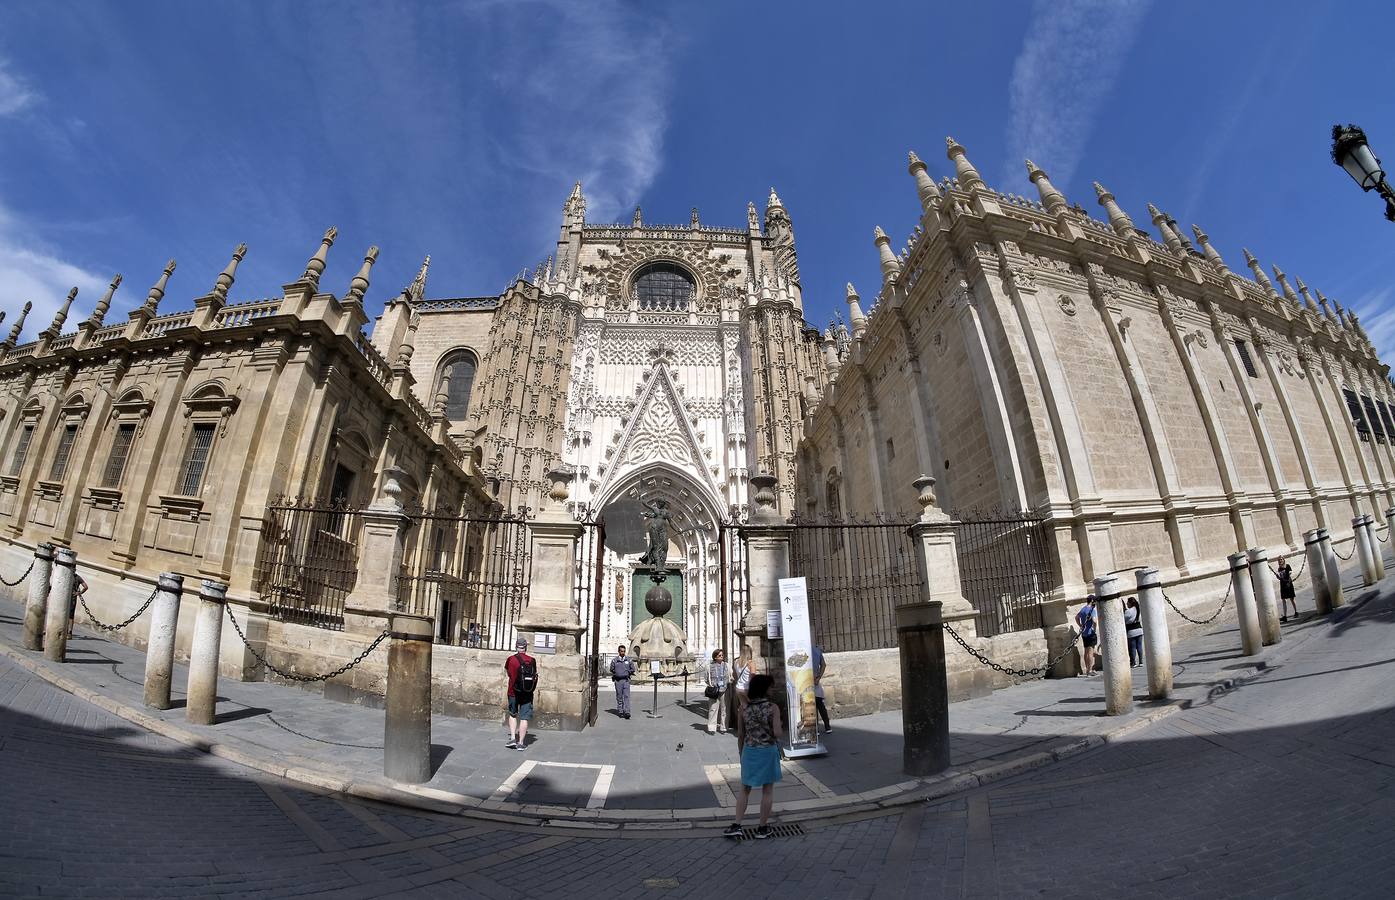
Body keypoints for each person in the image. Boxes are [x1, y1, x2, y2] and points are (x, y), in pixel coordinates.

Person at [723, 673, 784, 840]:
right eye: (771, 687)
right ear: (765, 689)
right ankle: (762, 828)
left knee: (745, 789)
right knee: (767, 790)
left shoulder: (744, 709)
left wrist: (741, 752)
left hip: (750, 751)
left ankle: (737, 824)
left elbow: (741, 734)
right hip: (767, 751)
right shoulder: (773, 708)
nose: (773, 689)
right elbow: (778, 733)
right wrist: (778, 725)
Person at [504, 637, 536, 750]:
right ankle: (521, 743)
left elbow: (508, 673)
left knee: (513, 714)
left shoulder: (510, 659)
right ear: (525, 647)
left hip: (513, 691)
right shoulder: (532, 660)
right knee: (524, 718)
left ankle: (513, 738)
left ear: (516, 646)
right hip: (527, 692)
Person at [609, 644, 636, 719]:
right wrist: (617, 673)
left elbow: (633, 669)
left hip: (626, 680)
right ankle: (620, 711)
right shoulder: (615, 660)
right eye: (621, 651)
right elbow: (612, 669)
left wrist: (628, 672)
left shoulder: (628, 660)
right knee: (619, 696)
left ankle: (627, 712)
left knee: (626, 696)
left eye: (624, 651)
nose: (623, 652)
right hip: (618, 681)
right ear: (618, 651)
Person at [706, 648, 729, 734]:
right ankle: (712, 727)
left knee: (724, 709)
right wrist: (711, 685)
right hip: (714, 690)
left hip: (724, 689)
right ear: (715, 657)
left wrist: (726, 683)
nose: (721, 657)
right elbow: (706, 678)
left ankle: (723, 727)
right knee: (713, 708)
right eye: (719, 655)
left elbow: (729, 675)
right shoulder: (709, 666)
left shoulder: (726, 665)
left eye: (722, 655)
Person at [1075, 595, 1099, 676]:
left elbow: (1076, 617)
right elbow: (1095, 621)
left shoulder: (1083, 609)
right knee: (1090, 652)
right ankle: (1090, 670)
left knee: (1086, 652)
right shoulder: (1092, 610)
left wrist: (1081, 625)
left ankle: (1087, 669)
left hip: (1084, 633)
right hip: (1090, 633)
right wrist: (1094, 629)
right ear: (1092, 601)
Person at [811, 644, 832, 734]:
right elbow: (823, 665)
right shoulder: (817, 650)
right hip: (816, 680)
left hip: (805, 680)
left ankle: (815, 728)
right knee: (820, 704)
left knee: (811, 705)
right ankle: (827, 726)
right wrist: (818, 677)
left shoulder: (802, 650)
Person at [1124, 597, 1144, 668]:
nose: (1126, 604)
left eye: (1127, 602)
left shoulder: (1129, 611)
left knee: (1132, 647)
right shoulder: (1138, 609)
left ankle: (1133, 663)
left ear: (1130, 603)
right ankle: (1141, 662)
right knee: (1139, 646)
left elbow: (1123, 619)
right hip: (1139, 630)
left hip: (1131, 631)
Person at [66, 573, 88, 639]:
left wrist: (78, 593)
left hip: (65, 596)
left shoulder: (67, 574)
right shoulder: (77, 577)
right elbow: (85, 587)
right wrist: (78, 593)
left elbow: (86, 587)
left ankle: (66, 631)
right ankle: (69, 632)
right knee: (71, 616)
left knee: (67, 615)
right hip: (73, 598)